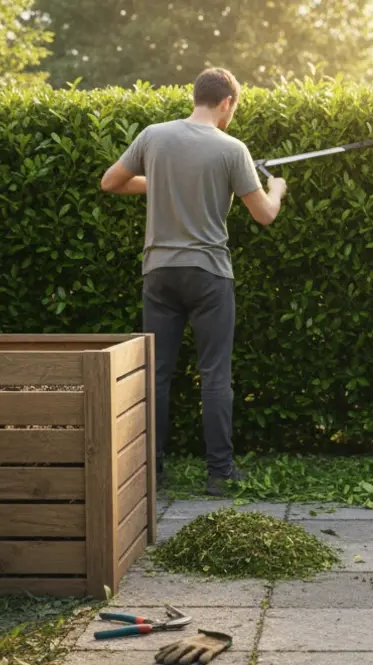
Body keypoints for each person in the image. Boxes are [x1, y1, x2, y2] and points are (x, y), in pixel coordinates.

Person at [100, 67, 287, 496]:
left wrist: (166, 184)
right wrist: (276, 187)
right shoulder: (231, 148)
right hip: (208, 275)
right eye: (233, 108)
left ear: (196, 96)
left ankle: (153, 471)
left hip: (160, 273)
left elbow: (110, 182)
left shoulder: (154, 135)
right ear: (227, 103)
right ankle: (220, 474)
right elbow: (264, 214)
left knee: (156, 374)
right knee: (216, 375)